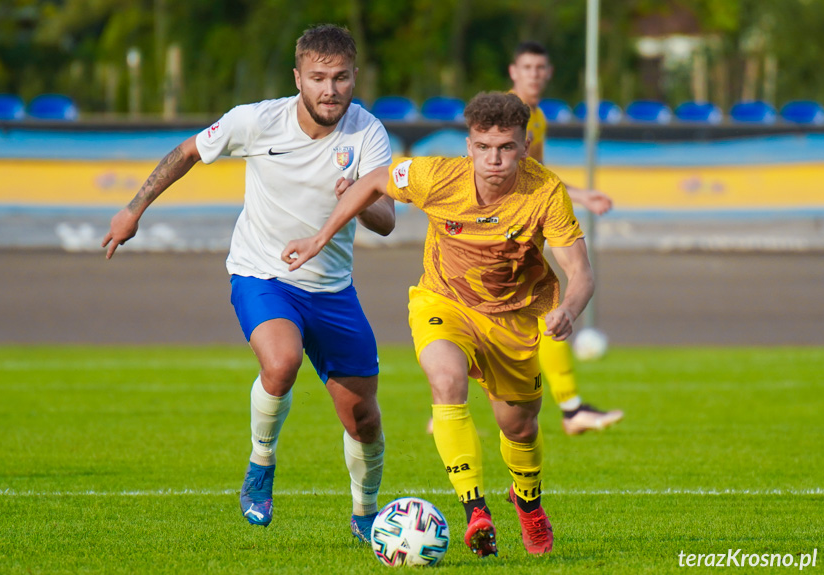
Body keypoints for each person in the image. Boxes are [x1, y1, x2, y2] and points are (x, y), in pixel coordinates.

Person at [101, 24, 394, 543]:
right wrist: (133, 208)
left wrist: (362, 197)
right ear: (298, 78)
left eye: (342, 78)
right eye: (319, 78)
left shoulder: (366, 132)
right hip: (263, 274)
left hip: (332, 289)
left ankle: (366, 514)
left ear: (355, 78)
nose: (330, 90)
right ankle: (261, 466)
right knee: (280, 364)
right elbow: (189, 151)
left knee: (364, 419)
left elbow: (387, 220)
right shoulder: (256, 121)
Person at [282, 92, 595, 557]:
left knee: (520, 427)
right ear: (468, 145)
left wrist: (568, 308)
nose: (495, 159)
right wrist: (320, 237)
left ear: (526, 145)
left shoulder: (545, 192)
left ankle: (528, 505)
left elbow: (581, 271)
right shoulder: (436, 175)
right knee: (446, 380)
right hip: (443, 303)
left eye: (507, 147)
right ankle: (476, 512)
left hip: (514, 319)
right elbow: (372, 181)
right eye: (484, 147)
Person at [508, 40, 623, 435]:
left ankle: (572, 408)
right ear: (513, 72)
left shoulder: (535, 117)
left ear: (549, 72)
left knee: (541, 310)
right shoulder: (507, 112)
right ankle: (446, 407)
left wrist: (579, 194)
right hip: (506, 227)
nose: (534, 75)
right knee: (532, 310)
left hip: (528, 221)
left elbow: (536, 173)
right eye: (527, 67)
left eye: (541, 68)